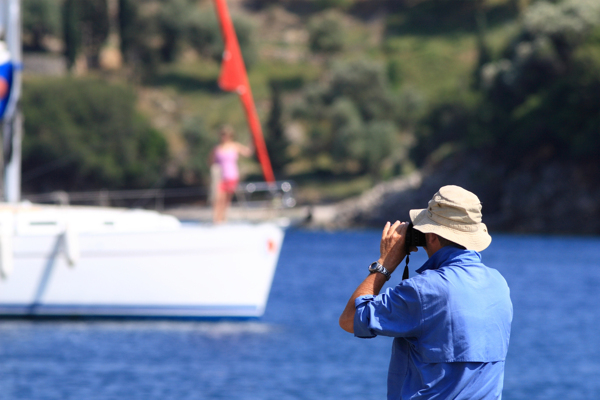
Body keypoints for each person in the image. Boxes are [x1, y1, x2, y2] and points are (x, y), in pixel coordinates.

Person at [339, 185, 513, 400]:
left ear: (431, 235)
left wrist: (385, 263)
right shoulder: (498, 284)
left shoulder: (424, 290)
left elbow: (349, 319)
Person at [210, 126, 252, 223]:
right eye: (223, 135)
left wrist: (252, 139)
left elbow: (248, 152)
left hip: (232, 175)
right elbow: (211, 162)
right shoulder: (217, 148)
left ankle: (223, 218)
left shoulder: (235, 146)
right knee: (218, 198)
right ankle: (216, 218)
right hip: (220, 177)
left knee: (226, 200)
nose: (224, 137)